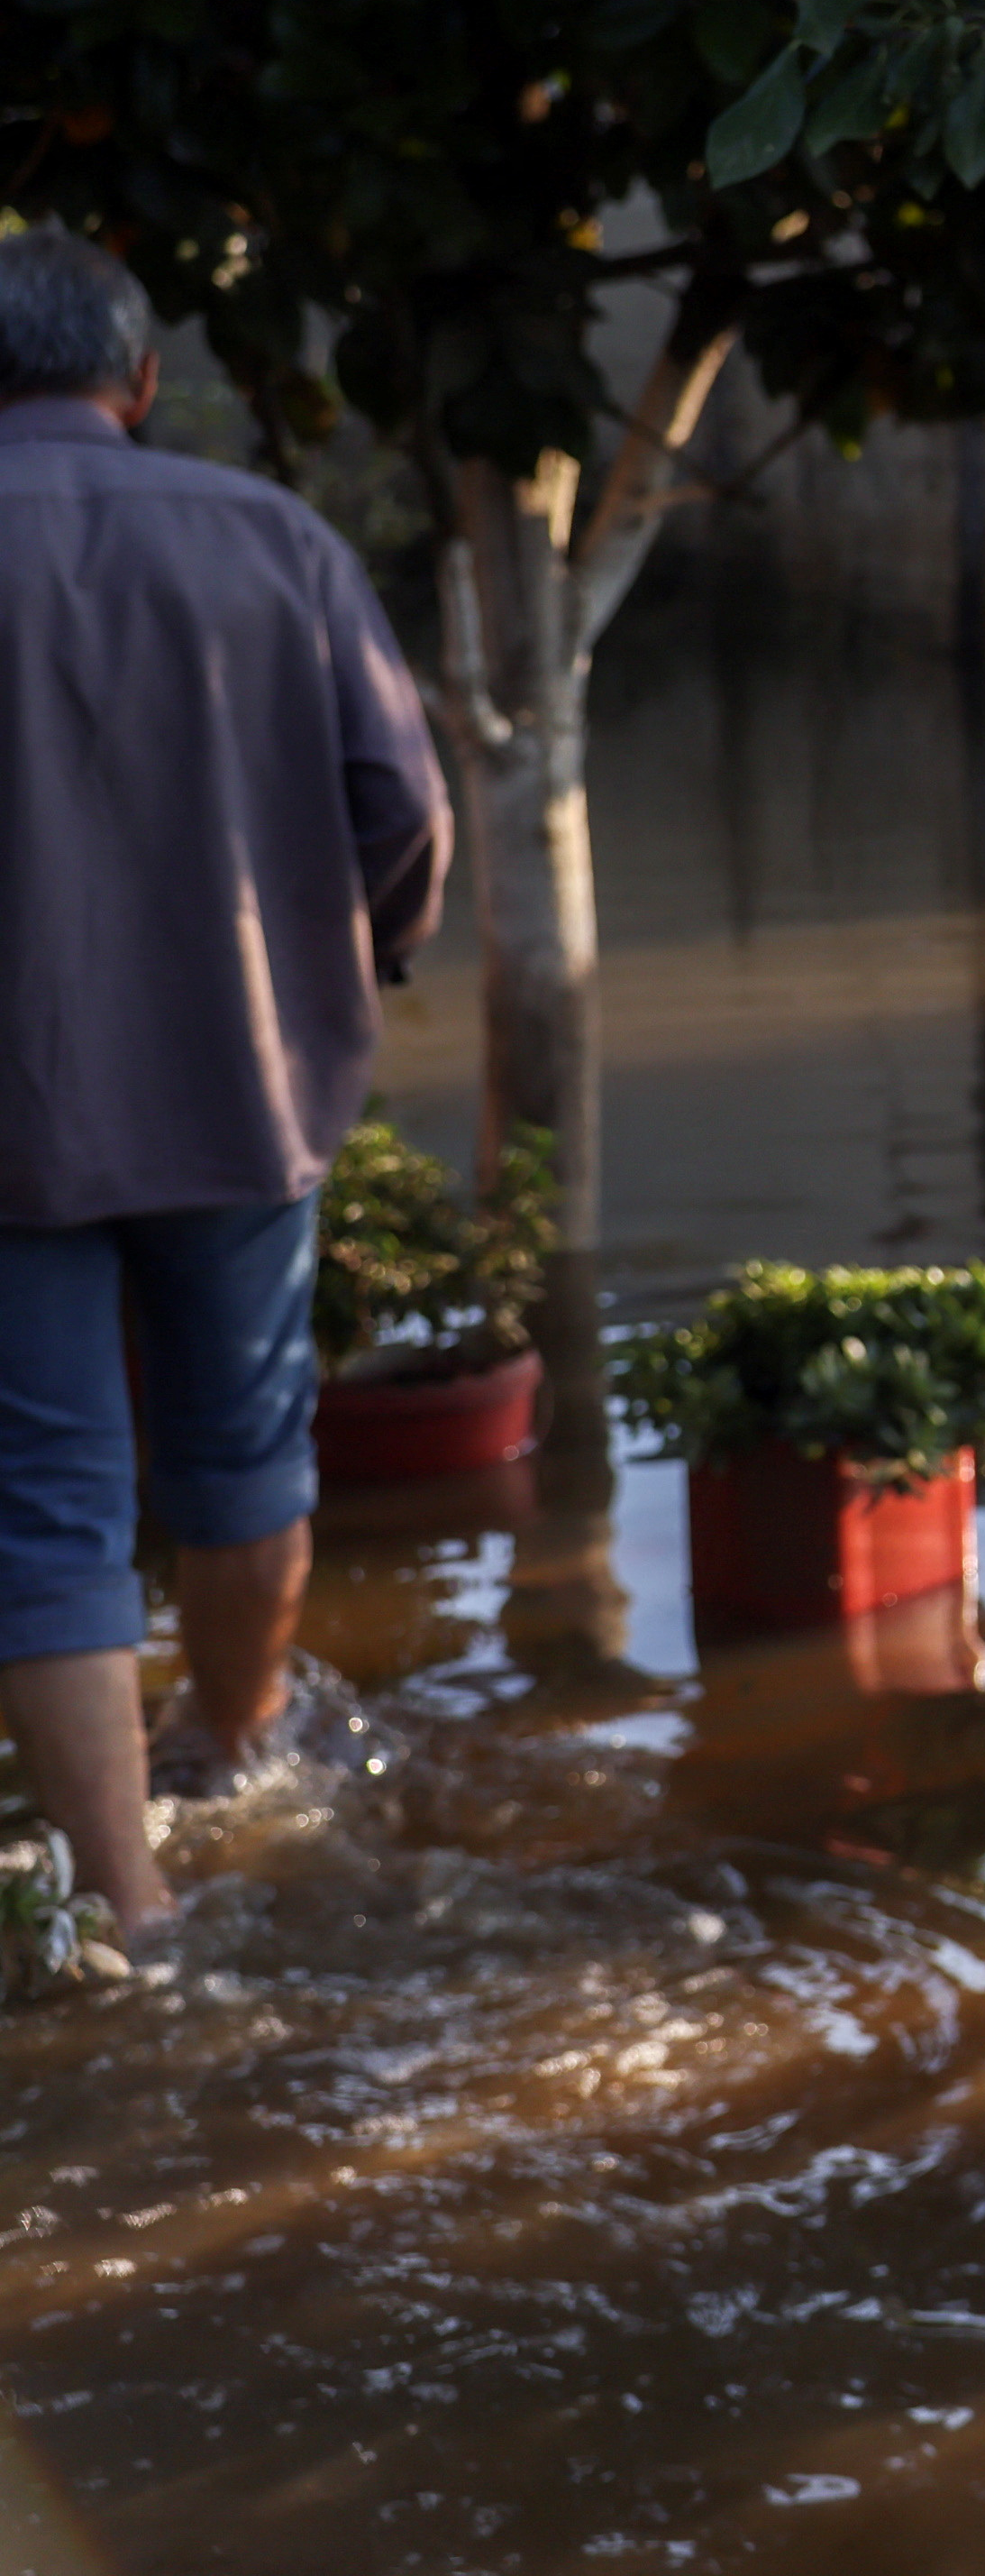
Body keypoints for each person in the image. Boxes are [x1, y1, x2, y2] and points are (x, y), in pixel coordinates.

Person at [0, 225, 451, 1941]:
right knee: (247, 1445)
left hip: (10, 1123)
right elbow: (401, 814)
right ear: (139, 383)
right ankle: (228, 1755)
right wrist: (355, 963)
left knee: (44, 1495)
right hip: (243, 1084)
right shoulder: (279, 540)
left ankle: (128, 1907)